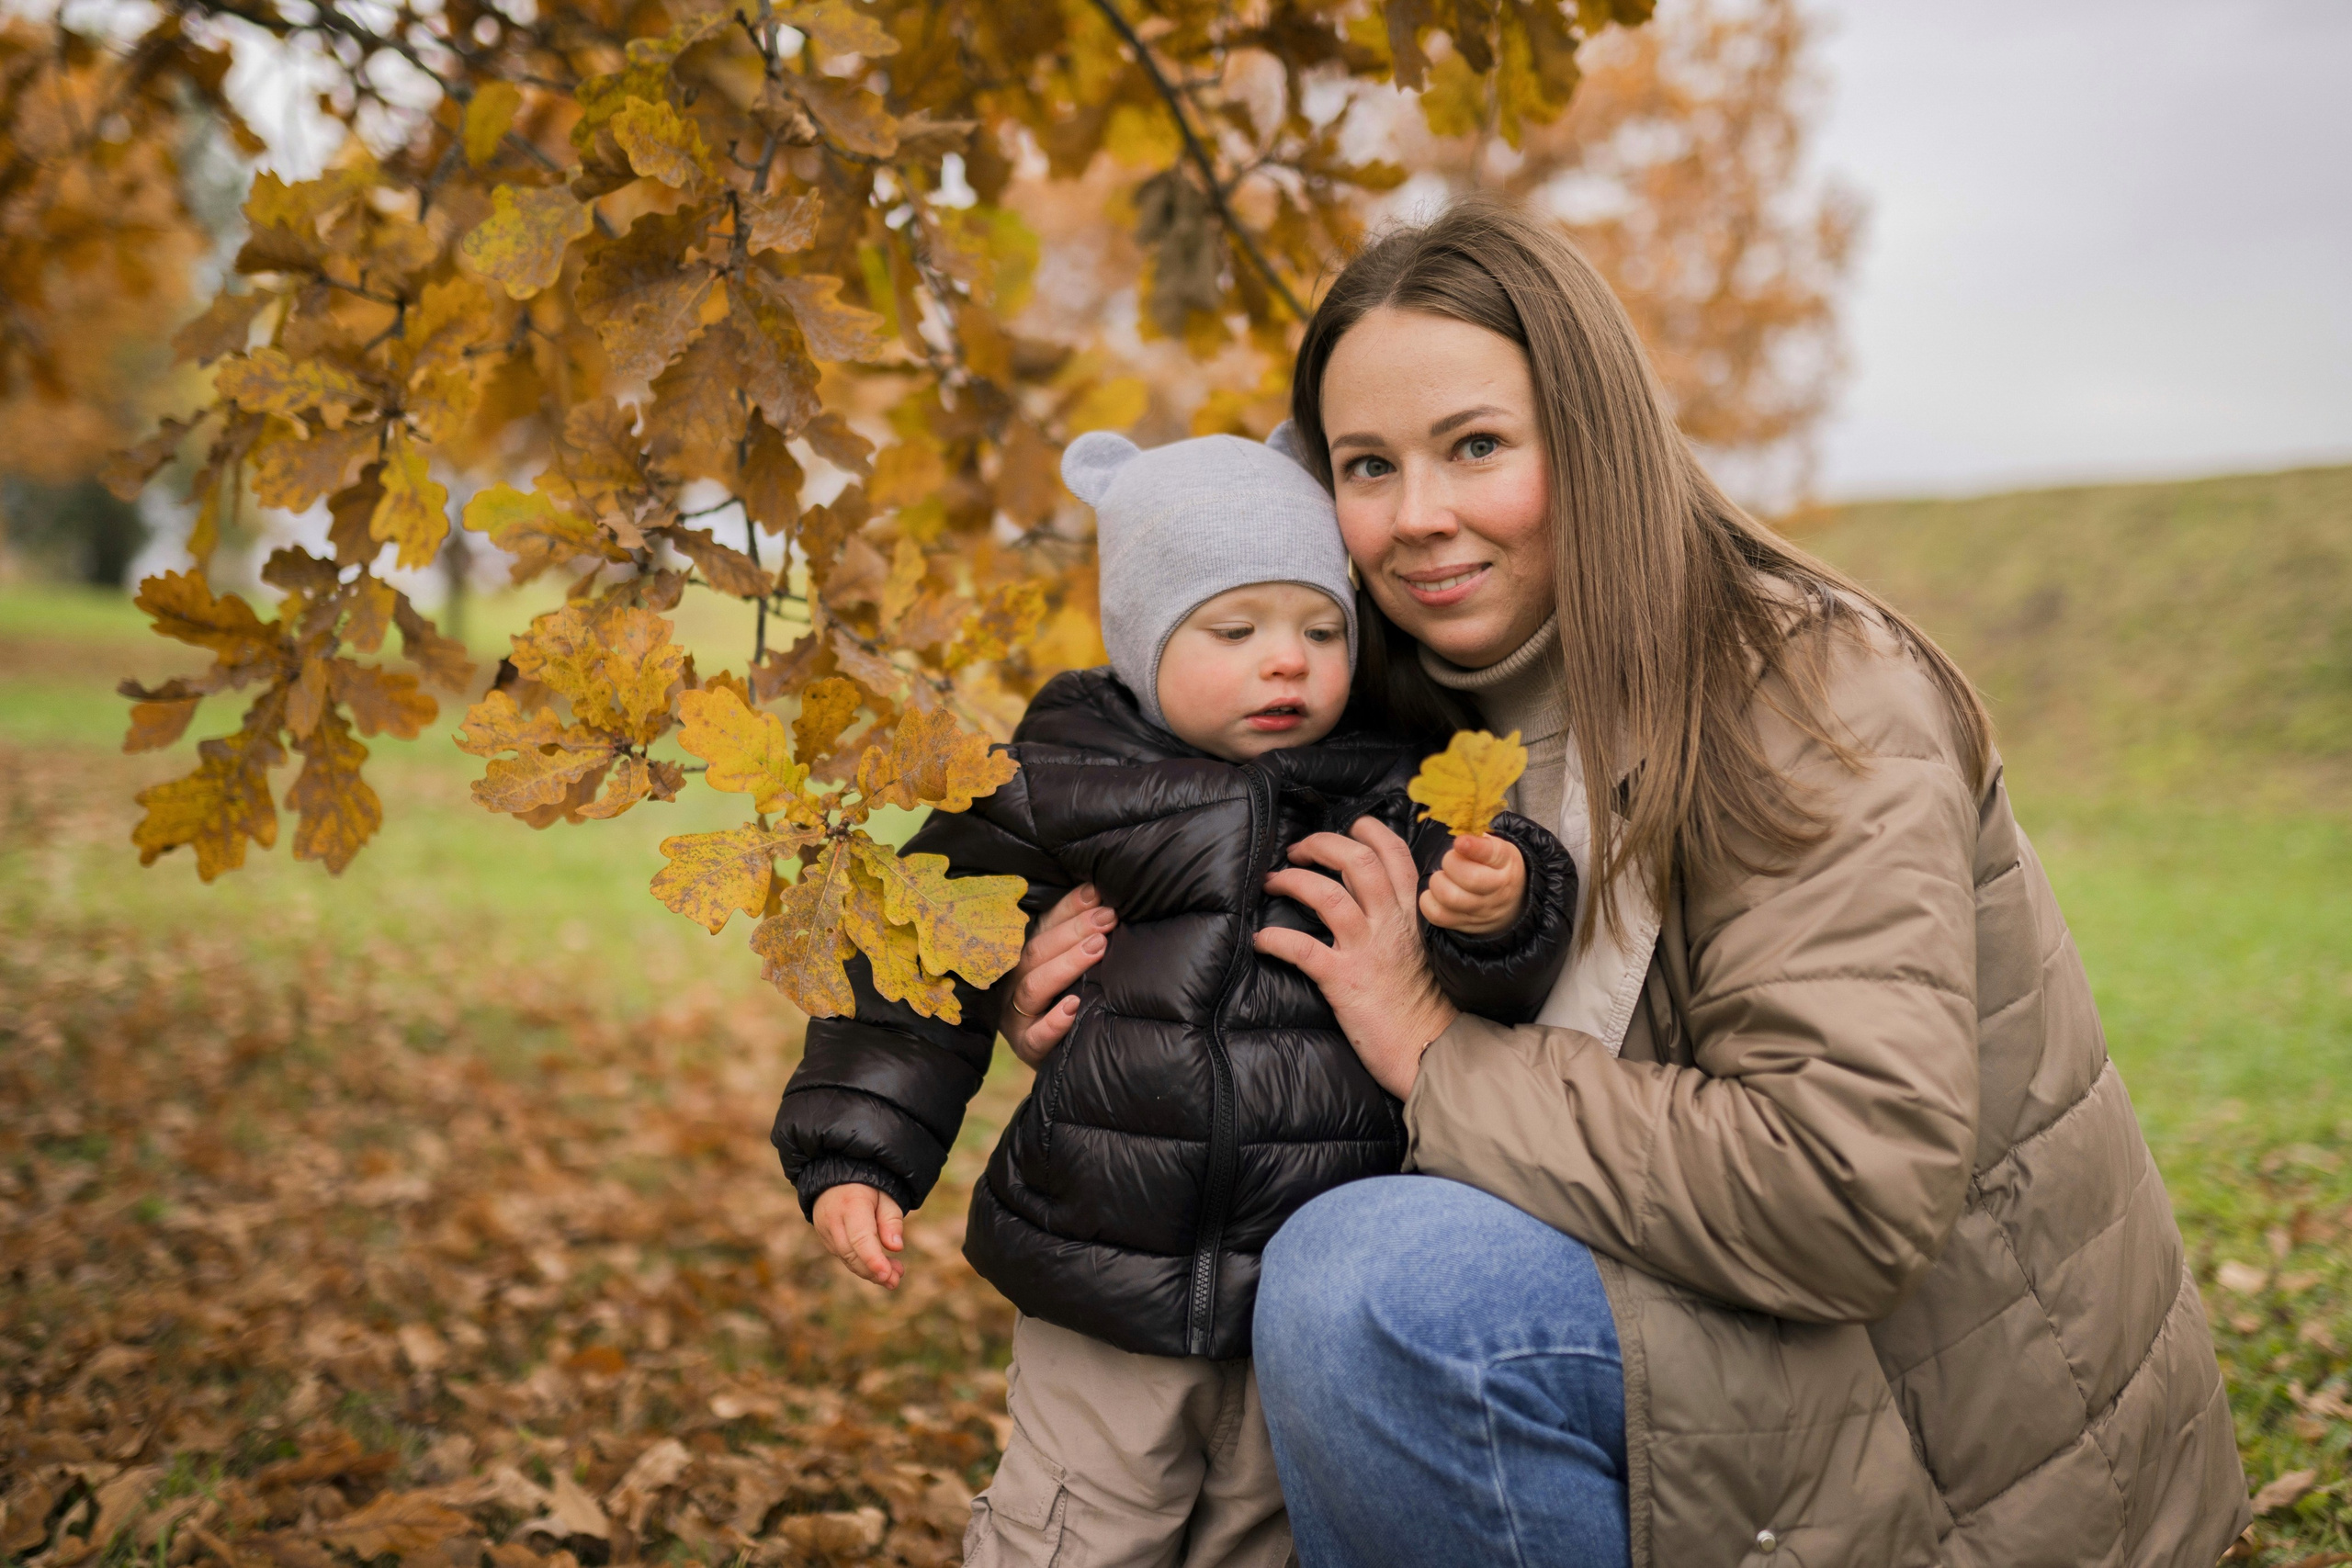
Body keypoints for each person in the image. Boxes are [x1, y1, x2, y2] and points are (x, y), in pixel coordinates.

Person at [993, 197, 2251, 1568]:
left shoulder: (1807, 693)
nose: (1418, 518)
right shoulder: (1377, 708)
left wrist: (1434, 1049)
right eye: (1367, 466)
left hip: (1945, 1449)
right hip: (1699, 1341)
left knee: (1367, 1286)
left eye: (1477, 446)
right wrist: (1123, 997)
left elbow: (1844, 1193)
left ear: (1590, 437)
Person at [770, 425, 1579, 1567]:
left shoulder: (1389, 781)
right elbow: (919, 960)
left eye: (1319, 630)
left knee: (1254, 1538)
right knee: (1078, 1533)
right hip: (1103, 1254)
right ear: (1144, 644)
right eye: (1234, 631)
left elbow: (1487, 952)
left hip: (1297, 1275)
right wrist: (856, 1153)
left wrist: (1503, 906)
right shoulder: (1058, 782)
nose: (1286, 661)